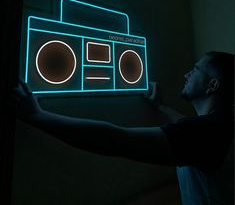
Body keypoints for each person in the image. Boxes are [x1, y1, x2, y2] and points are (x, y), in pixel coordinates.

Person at [11, 51, 234, 205]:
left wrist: (37, 116)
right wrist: (161, 107)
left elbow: (113, 140)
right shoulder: (220, 125)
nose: (187, 74)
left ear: (213, 85)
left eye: (195, 70)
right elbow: (189, 130)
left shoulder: (207, 133)